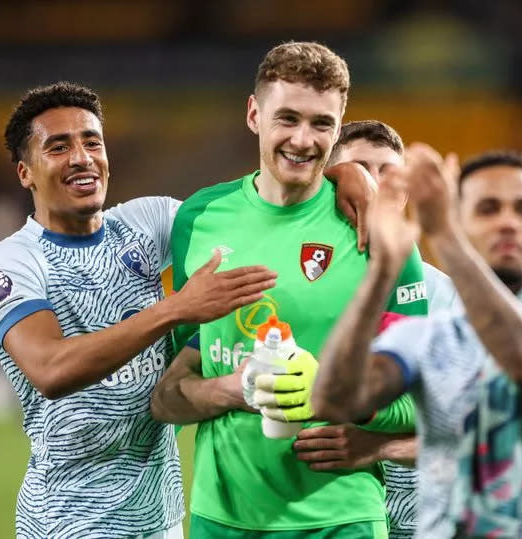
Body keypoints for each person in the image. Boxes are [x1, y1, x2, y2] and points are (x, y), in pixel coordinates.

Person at [0, 82, 280, 539]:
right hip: (68, 522)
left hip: (160, 518)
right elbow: (50, 368)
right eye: (58, 147)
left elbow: (255, 204)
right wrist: (175, 309)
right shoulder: (10, 262)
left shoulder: (147, 221)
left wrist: (342, 174)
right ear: (26, 172)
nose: (81, 156)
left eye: (91, 141)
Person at [150, 42, 430, 538]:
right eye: (288, 118)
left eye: (322, 124)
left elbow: (430, 398)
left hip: (341, 518)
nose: (303, 140)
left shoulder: (379, 234)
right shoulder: (198, 219)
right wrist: (229, 390)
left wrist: (339, 398)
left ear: (339, 128)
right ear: (254, 114)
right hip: (223, 518)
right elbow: (170, 395)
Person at [311, 147, 522, 537]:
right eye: (488, 209)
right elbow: (335, 398)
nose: (508, 223)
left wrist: (442, 234)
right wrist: (381, 274)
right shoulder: (428, 333)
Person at [292, 119, 457, 539]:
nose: (377, 184)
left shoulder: (446, 297)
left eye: (389, 172)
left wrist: (379, 447)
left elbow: (475, 427)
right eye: (362, 169)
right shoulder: (297, 283)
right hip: (320, 512)